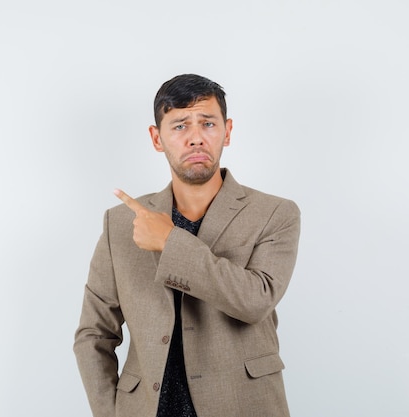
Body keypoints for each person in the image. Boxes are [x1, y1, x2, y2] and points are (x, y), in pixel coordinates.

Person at [73, 74, 301, 417]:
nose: (196, 138)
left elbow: (255, 301)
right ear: (157, 138)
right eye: (179, 126)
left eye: (208, 123)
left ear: (228, 131)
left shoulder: (275, 213)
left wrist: (169, 241)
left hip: (243, 405)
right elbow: (93, 335)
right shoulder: (120, 223)